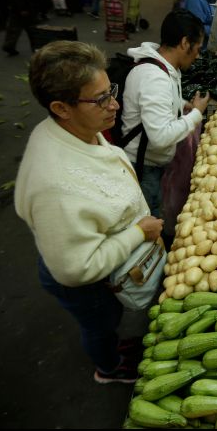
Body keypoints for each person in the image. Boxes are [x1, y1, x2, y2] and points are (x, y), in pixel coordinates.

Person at [14, 41, 164, 384]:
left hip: (79, 246)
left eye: (110, 90)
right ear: (61, 108)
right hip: (80, 278)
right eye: (100, 99)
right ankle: (108, 368)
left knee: (106, 320)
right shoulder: (54, 184)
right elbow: (76, 269)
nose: (115, 103)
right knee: (100, 323)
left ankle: (112, 348)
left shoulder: (79, 130)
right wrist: (139, 233)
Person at [120, 9, 209, 233]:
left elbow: (152, 102)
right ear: (184, 43)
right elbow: (160, 138)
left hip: (151, 165)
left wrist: (180, 104)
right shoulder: (155, 77)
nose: (197, 56)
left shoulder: (161, 68)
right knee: (147, 231)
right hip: (143, 169)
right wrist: (196, 114)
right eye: (197, 49)